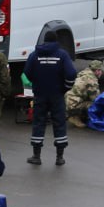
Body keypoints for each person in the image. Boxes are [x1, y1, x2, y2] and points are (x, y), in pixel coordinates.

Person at [24, 30, 77, 166]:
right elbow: (71, 74)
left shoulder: (35, 55)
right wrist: (65, 88)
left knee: (38, 123)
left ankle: (36, 156)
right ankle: (59, 157)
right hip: (57, 96)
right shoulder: (62, 55)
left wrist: (36, 83)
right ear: (56, 41)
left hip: (40, 94)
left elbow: (27, 74)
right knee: (59, 123)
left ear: (44, 41)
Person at [65, 60, 104, 127]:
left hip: (69, 99)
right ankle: (74, 116)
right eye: (101, 71)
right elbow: (95, 98)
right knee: (94, 105)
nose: (102, 73)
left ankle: (76, 114)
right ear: (97, 71)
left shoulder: (84, 73)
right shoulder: (91, 80)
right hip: (73, 103)